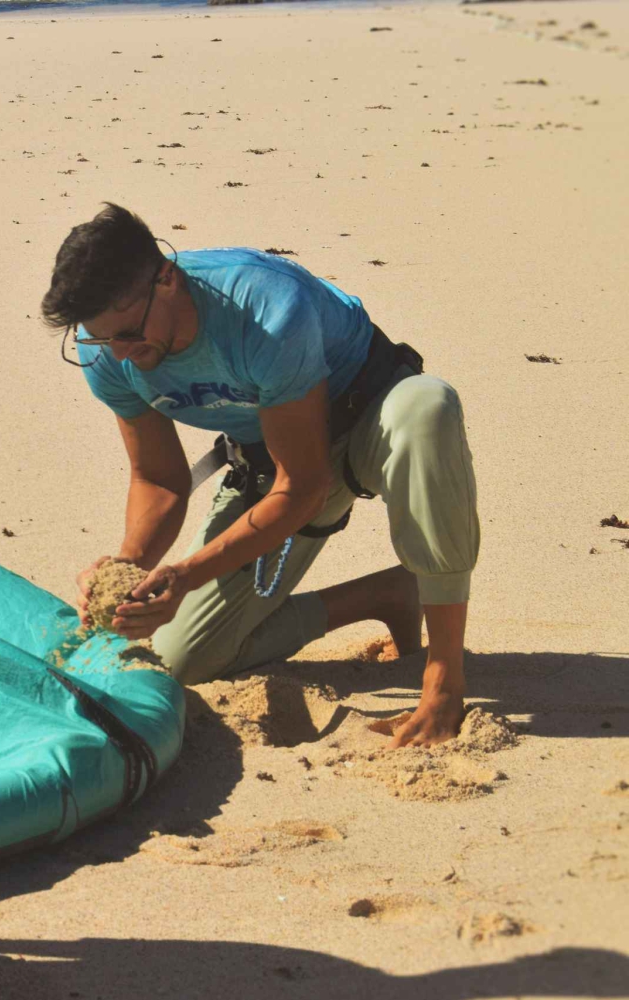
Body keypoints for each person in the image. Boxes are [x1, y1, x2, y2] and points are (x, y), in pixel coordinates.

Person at [43, 204, 479, 749]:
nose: (122, 353)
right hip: (272, 456)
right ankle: (386, 595)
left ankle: (444, 672)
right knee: (183, 660)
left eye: (129, 332)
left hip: (367, 419)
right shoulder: (109, 352)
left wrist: (188, 573)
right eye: (102, 339)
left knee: (427, 407)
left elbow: (305, 486)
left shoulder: (266, 309)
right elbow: (159, 479)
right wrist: (131, 566)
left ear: (167, 279)